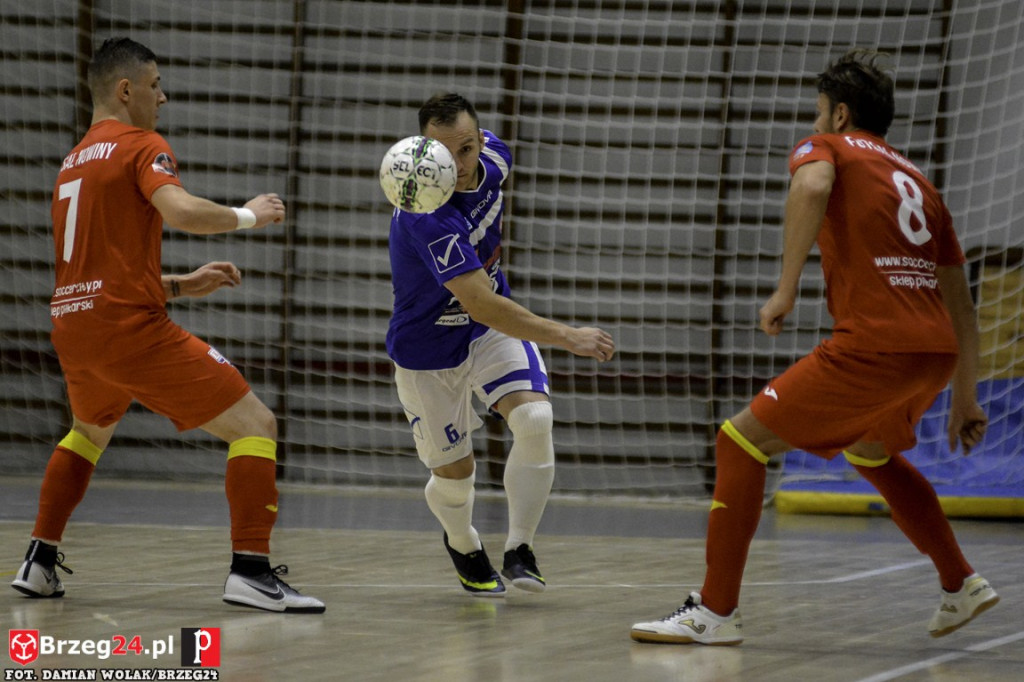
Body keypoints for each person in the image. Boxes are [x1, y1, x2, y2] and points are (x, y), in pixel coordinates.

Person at [630, 50, 998, 645]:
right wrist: (966, 397)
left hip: (875, 347)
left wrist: (783, 289)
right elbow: (962, 305)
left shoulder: (828, 148)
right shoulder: (922, 186)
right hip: (934, 353)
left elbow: (812, 185)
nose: (816, 119)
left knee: (740, 440)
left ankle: (715, 613)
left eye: (820, 110)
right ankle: (961, 583)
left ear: (841, 114)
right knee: (870, 451)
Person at [10, 37, 324, 614]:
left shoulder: (72, 161)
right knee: (256, 422)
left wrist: (179, 284)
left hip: (73, 326)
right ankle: (251, 571)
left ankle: (39, 559)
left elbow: (99, 268)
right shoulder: (141, 143)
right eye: (155, 85)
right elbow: (179, 211)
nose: (164, 96)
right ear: (126, 90)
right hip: (128, 328)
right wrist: (251, 214)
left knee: (87, 433)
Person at [387, 93, 616, 597]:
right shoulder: (425, 217)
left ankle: (520, 548)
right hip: (429, 350)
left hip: (488, 333)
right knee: (456, 476)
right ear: (424, 154)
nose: (460, 165)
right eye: (446, 156)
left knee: (535, 419)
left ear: (480, 140)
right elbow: (481, 303)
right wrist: (567, 336)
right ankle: (463, 540)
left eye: (467, 149)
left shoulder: (494, 158)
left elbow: (489, 315)